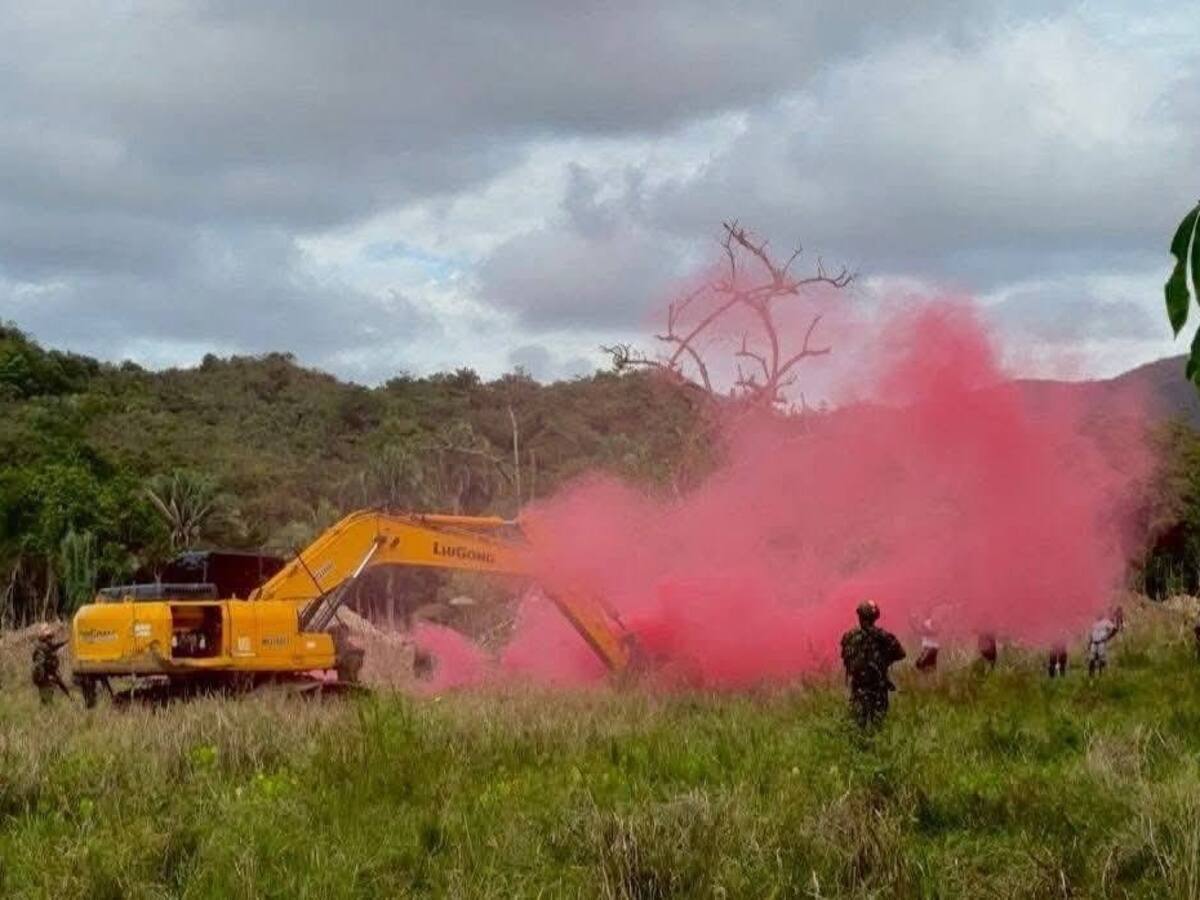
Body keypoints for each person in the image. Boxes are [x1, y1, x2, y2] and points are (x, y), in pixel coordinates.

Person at [841, 601, 906, 729]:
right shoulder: (883, 636)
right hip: (877, 687)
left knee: (858, 726)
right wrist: (884, 661)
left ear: (860, 616)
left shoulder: (849, 636)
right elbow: (900, 653)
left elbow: (846, 659)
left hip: (859, 688)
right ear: (875, 617)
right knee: (878, 725)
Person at [31, 626, 71, 704]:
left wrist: (66, 641)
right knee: (47, 699)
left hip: (47, 674)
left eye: (51, 637)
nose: (51, 639)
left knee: (48, 697)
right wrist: (45, 677)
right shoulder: (41, 649)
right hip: (43, 677)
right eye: (49, 637)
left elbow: (56, 645)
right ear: (44, 639)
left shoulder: (48, 647)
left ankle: (70, 698)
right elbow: (39, 665)